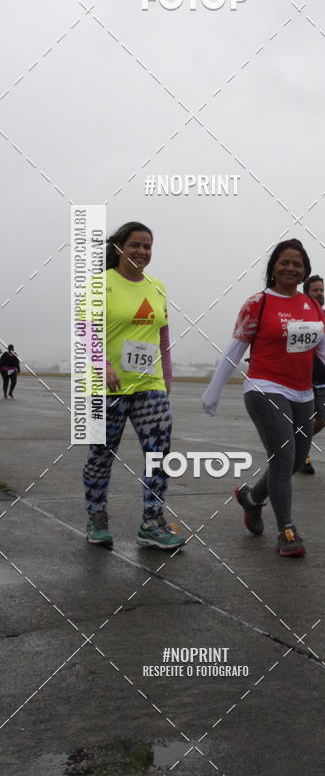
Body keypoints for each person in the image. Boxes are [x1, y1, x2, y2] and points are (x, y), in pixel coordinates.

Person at [202, 239, 325, 557]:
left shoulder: (312, 307)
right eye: (285, 262)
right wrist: (213, 390)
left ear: (305, 272)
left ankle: (252, 499)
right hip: (264, 387)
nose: (290, 268)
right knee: (283, 457)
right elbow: (236, 349)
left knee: (297, 460)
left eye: (297, 264)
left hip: (302, 393)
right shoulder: (257, 303)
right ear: (273, 267)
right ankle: (286, 530)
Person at [81, 222, 184, 550]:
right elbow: (85, 330)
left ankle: (152, 524)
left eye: (147, 246)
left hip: (149, 385)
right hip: (106, 387)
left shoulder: (158, 287)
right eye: (135, 245)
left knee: (159, 454)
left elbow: (163, 334)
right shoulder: (100, 285)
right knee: (101, 455)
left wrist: (166, 378)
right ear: (119, 248)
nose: (142, 252)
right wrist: (104, 365)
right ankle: (97, 517)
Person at [300, 274, 325, 475]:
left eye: (321, 290)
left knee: (322, 419)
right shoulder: (299, 314)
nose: (319, 294)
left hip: (323, 380)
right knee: (306, 420)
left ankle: (298, 439)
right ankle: (303, 457)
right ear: (306, 293)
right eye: (315, 290)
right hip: (303, 379)